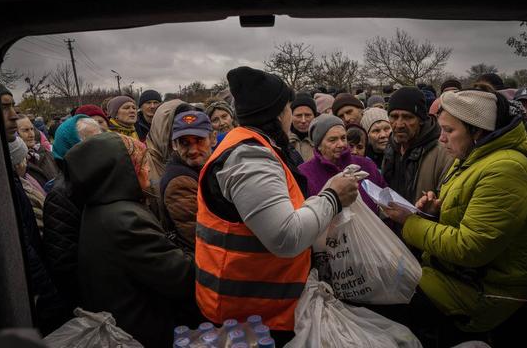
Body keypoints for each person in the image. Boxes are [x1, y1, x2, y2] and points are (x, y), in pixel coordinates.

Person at [195, 66, 359, 344]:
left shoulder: (258, 148)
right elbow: (285, 236)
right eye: (287, 108)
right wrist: (332, 197)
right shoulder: (250, 157)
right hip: (249, 316)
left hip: (259, 307)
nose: (290, 116)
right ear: (276, 113)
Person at [383, 89, 527, 345]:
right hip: (454, 276)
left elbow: (471, 248)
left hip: (482, 292)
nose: (442, 139)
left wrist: (411, 222)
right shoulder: (471, 157)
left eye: (449, 131)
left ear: (477, 131)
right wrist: (433, 214)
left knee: (390, 308)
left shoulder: (505, 170)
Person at [66, 132, 195, 348]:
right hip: (143, 331)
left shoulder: (101, 206)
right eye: (140, 163)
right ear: (121, 172)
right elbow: (180, 276)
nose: (147, 169)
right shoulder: (125, 219)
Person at [0, 86, 66, 334]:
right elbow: (22, 241)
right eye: (3, 106)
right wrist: (48, 296)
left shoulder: (18, 170)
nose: (13, 115)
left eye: (12, 106)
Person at [42, 116, 103, 326]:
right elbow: (65, 264)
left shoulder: (98, 180)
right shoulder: (61, 195)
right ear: (71, 148)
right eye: (90, 143)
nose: (101, 149)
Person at [299, 114, 385, 214]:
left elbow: (387, 204)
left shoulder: (366, 166)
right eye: (333, 140)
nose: (341, 144)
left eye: (343, 138)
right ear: (318, 145)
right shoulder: (304, 173)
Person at [383, 86, 453, 205]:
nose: (399, 124)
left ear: (421, 119)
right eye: (394, 116)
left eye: (408, 117)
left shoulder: (443, 153)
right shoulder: (391, 147)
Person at [160, 111, 216, 249]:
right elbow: (201, 238)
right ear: (174, 145)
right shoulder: (179, 183)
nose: (192, 150)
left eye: (199, 140)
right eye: (184, 143)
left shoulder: (207, 167)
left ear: (213, 138)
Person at [9, 136, 47, 234]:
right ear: (17, 164)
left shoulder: (28, 178)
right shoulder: (22, 189)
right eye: (25, 158)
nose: (27, 161)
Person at [17, 114, 59, 188]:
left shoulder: (45, 153)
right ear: (15, 135)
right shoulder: (18, 163)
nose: (31, 134)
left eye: (32, 129)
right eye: (26, 130)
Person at [289, 92, 317, 162]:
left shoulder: (322, 140)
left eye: (307, 115)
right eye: (298, 115)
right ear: (291, 116)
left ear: (315, 116)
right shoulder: (282, 141)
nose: (303, 120)